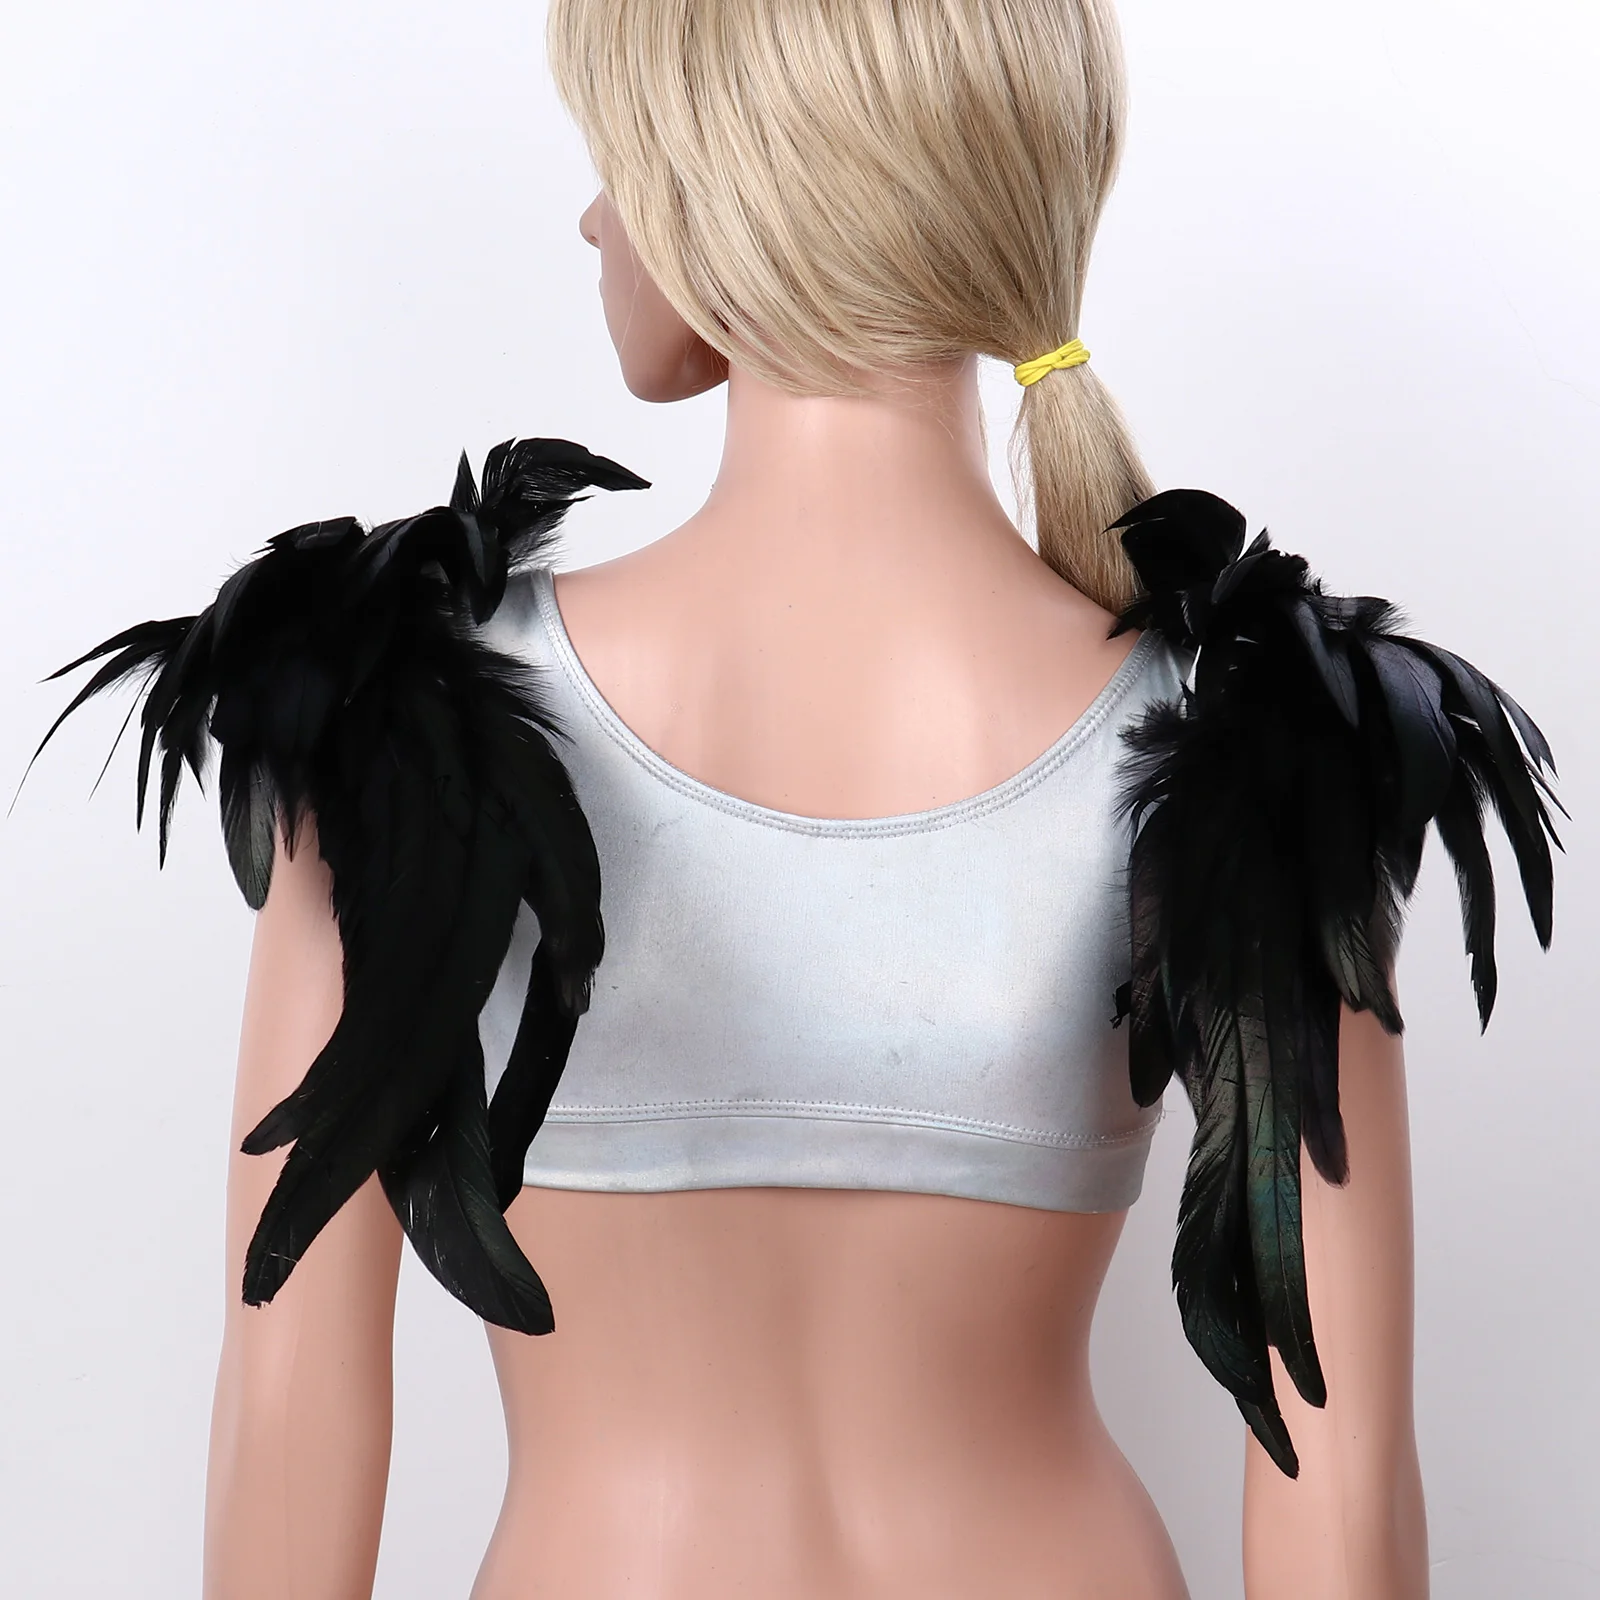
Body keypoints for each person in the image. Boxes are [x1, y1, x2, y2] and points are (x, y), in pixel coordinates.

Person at [42, 2, 1554, 1596]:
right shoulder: (1266, 739)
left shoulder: (379, 716)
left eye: (622, 161)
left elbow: (288, 1414)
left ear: (733, 195)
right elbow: (1345, 1489)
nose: (594, 217)